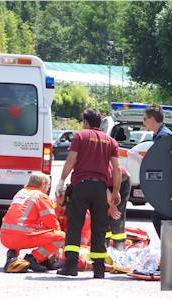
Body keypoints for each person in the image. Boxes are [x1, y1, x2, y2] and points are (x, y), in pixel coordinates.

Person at [55, 108, 121, 279]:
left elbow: (71, 160)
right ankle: (99, 269)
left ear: (86, 122)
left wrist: (62, 181)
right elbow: (117, 169)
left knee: (75, 225)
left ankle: (71, 266)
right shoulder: (111, 141)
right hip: (100, 188)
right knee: (99, 229)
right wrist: (116, 190)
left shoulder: (80, 136)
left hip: (81, 186)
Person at [0, 172, 65, 273]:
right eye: (48, 186)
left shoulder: (20, 193)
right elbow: (52, 223)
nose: (48, 189)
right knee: (61, 236)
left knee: (23, 227)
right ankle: (34, 258)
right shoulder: (41, 196)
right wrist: (56, 249)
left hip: (5, 237)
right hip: (21, 237)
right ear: (43, 184)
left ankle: (12, 254)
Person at [143, 105, 172, 238]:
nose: (143, 122)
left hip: (169, 187)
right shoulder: (159, 135)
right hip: (166, 186)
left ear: (152, 119)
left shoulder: (163, 136)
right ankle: (170, 251)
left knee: (160, 217)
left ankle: (171, 250)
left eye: (145, 119)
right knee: (160, 217)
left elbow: (163, 164)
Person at [105, 166, 131, 251]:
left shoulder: (91, 168)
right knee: (102, 217)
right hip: (108, 183)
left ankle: (119, 249)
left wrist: (112, 206)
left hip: (122, 181)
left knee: (116, 217)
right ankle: (104, 247)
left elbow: (102, 188)